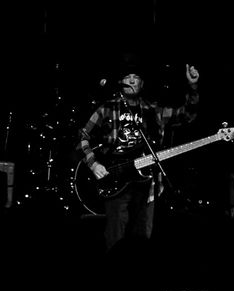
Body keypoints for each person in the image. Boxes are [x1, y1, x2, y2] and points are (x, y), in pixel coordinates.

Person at [75, 54, 202, 252]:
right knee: (116, 235)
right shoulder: (107, 108)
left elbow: (187, 115)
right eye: (128, 77)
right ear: (121, 82)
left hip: (147, 182)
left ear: (142, 84)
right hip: (116, 179)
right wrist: (94, 164)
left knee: (142, 236)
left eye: (136, 77)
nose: (132, 80)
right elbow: (82, 136)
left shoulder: (153, 111)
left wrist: (192, 86)